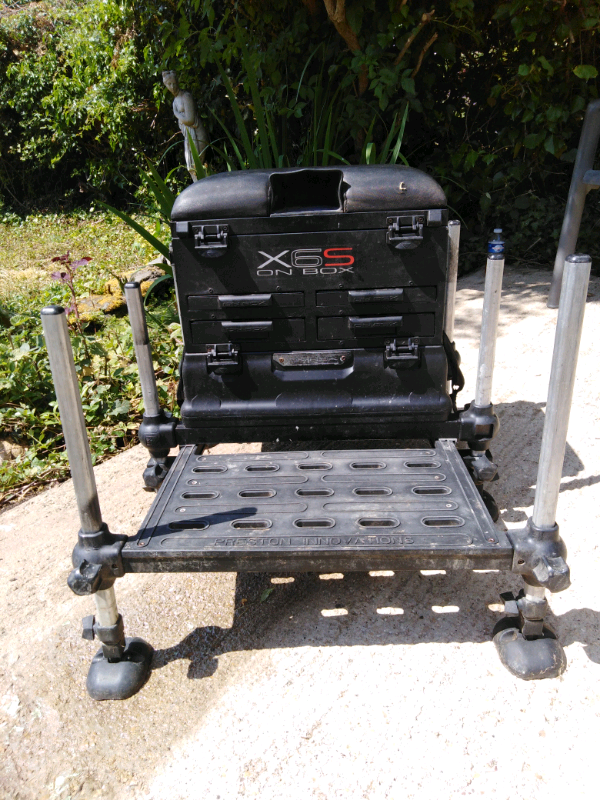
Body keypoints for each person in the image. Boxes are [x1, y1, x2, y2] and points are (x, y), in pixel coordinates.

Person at [162, 70, 208, 182]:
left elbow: (190, 120)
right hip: (188, 136)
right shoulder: (175, 101)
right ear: (166, 86)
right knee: (192, 167)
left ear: (177, 82)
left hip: (197, 134)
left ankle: (204, 188)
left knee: (197, 165)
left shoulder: (186, 97)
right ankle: (199, 188)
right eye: (169, 84)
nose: (172, 87)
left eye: (174, 83)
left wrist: (176, 114)